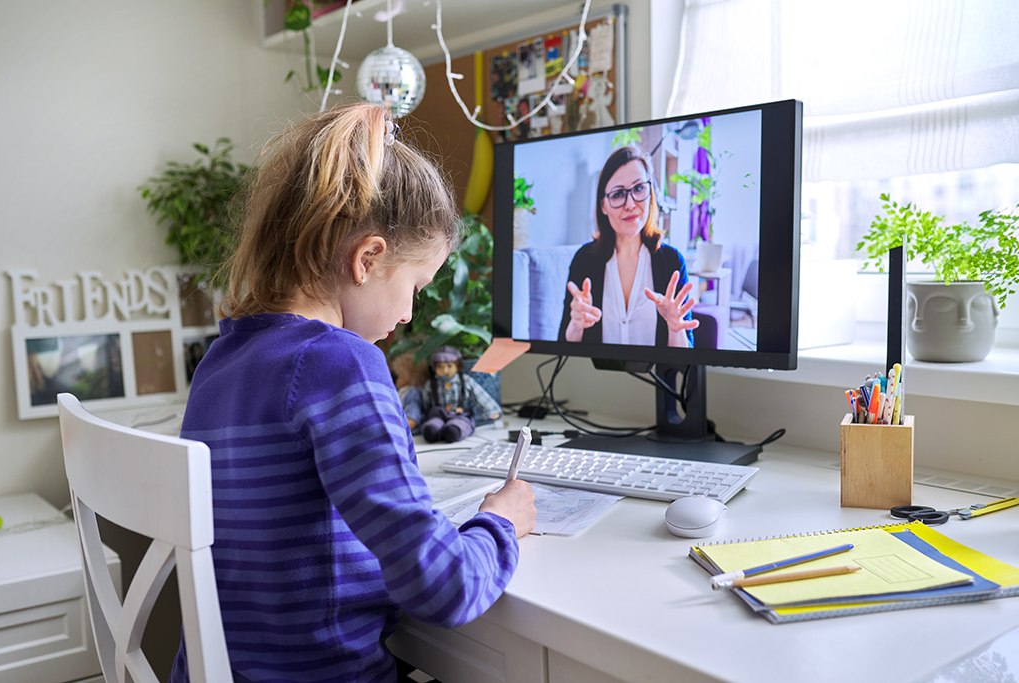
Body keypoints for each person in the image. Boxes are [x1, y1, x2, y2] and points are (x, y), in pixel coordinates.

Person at [168, 104, 536, 683]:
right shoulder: (340, 363)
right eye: (415, 285)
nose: (412, 312)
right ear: (368, 259)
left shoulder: (222, 359)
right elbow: (446, 589)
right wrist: (501, 522)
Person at [558, 145, 699, 347]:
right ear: (603, 206)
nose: (630, 204)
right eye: (617, 194)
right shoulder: (584, 260)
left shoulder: (671, 262)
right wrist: (576, 326)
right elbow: (563, 348)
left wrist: (675, 329)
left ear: (650, 193)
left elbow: (686, 362)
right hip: (596, 378)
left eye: (639, 188)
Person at [416, 345, 502, 443]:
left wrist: (491, 410)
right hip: (438, 415)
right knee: (431, 429)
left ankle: (452, 431)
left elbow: (479, 394)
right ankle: (434, 431)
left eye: (449, 366)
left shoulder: (464, 380)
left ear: (457, 366)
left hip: (459, 414)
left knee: (454, 430)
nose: (445, 370)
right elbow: (425, 401)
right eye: (440, 366)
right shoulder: (431, 384)